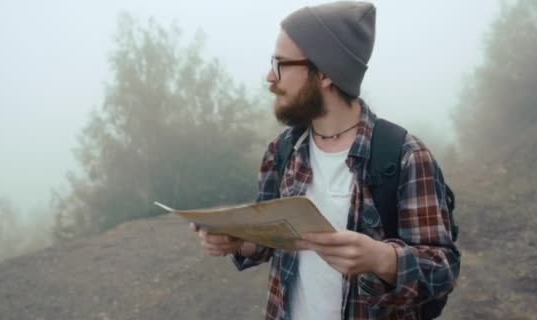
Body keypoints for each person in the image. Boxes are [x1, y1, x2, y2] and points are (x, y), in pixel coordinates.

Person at [191, 1, 460, 319]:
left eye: (280, 64)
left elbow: (443, 271)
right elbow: (269, 243)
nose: (269, 76)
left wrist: (382, 258)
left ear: (324, 73)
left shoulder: (406, 157)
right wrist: (237, 240)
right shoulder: (280, 153)